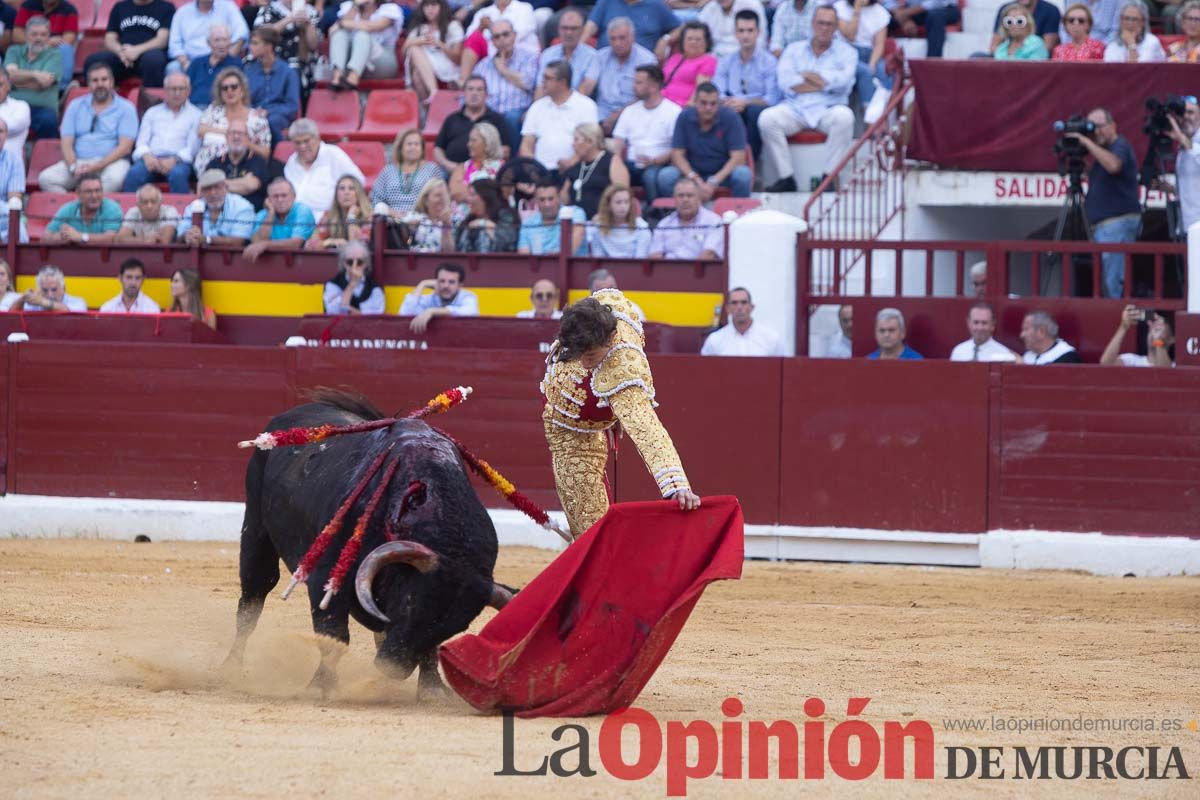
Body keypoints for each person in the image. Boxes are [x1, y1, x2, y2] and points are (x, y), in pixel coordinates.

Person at [540, 288, 700, 537]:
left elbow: (647, 429)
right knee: (588, 526)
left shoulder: (622, 370)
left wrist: (675, 485)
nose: (583, 362)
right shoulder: (608, 304)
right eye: (579, 354)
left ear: (610, 337)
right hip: (568, 425)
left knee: (591, 534)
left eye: (590, 355)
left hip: (576, 432)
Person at [759, 6, 855, 193]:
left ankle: (828, 178)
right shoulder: (793, 49)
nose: (824, 28)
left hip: (828, 109)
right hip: (796, 108)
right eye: (821, 23)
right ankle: (786, 178)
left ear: (836, 27)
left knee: (845, 117)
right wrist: (824, 81)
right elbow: (786, 82)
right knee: (767, 119)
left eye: (829, 24)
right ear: (812, 24)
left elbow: (843, 84)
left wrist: (806, 76)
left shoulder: (848, 52)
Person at [1064, 107, 1140, 299]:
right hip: (1104, 227)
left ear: (1113, 125)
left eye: (1099, 127)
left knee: (1113, 283)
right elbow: (1101, 178)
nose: (1096, 132)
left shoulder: (1119, 145)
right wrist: (1080, 162)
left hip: (1116, 225)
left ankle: (1119, 322)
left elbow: (1114, 166)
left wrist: (1086, 142)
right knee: (1105, 281)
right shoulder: (1104, 151)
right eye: (1092, 128)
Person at [39, 62, 137, 193]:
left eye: (104, 79)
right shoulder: (75, 105)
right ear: (88, 84)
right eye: (95, 81)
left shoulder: (126, 108)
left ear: (112, 82)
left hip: (111, 163)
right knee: (46, 179)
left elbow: (125, 148)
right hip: (79, 162)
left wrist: (95, 166)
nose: (100, 84)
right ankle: (74, 209)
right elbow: (66, 142)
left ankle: (89, 207)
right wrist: (73, 166)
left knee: (114, 180)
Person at [660, 82, 751, 199]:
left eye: (713, 104)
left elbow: (738, 158)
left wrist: (713, 181)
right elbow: (677, 155)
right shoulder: (684, 117)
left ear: (719, 104)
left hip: (723, 175)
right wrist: (695, 179)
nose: (708, 108)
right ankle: (674, 214)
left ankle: (739, 214)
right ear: (695, 103)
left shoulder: (731, 118)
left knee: (743, 174)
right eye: (703, 103)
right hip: (691, 175)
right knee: (666, 176)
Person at [714, 10, 778, 161]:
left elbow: (772, 98)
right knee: (721, 110)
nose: (745, 35)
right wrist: (729, 102)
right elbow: (717, 91)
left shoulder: (769, 62)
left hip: (756, 110)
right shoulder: (726, 61)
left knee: (753, 112)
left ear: (758, 32)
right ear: (735, 33)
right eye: (741, 31)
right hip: (733, 107)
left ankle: (749, 162)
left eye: (750, 30)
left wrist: (745, 102)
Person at [123, 72, 201, 194]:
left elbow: (192, 148)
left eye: (181, 89)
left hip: (179, 161)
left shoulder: (196, 115)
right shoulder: (152, 112)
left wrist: (174, 160)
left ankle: (181, 213)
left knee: (178, 175)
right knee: (134, 174)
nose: (177, 93)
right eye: (173, 89)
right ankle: (130, 212)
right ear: (165, 90)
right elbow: (141, 142)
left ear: (188, 90)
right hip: (151, 159)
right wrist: (148, 156)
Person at [613, 64, 681, 202]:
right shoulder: (629, 110)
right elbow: (618, 142)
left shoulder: (674, 111)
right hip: (631, 163)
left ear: (654, 86)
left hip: (660, 163)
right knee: (610, 172)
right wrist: (616, 162)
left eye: (639, 82)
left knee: (650, 176)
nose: (633, 86)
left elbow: (677, 148)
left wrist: (655, 161)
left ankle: (653, 215)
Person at [520, 59, 599, 176]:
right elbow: (526, 144)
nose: (543, 82)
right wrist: (534, 168)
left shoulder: (586, 106)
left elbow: (591, 142)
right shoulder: (537, 106)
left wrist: (571, 162)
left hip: (575, 170)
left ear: (562, 83)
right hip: (540, 172)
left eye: (548, 78)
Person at [584, 16, 657, 135]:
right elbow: (587, 85)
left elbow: (645, 95)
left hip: (634, 113)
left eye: (622, 38)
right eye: (613, 39)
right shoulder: (600, 56)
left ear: (632, 37)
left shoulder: (647, 59)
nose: (617, 43)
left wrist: (618, 115)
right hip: (601, 115)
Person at [193, 66, 272, 175]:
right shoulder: (213, 111)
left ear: (242, 90)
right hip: (208, 167)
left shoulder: (257, 119)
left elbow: (265, 153)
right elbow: (201, 130)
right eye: (224, 88)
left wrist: (246, 143)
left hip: (242, 169)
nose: (229, 91)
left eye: (234, 87)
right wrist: (229, 133)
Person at [473, 19, 538, 147]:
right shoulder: (483, 65)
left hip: (518, 112)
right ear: (492, 41)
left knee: (510, 118)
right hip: (490, 113)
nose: (502, 39)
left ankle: (514, 162)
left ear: (514, 35)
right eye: (497, 37)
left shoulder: (529, 58)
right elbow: (472, 89)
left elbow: (529, 83)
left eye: (505, 34)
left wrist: (503, 70)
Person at [283, 118, 366, 217]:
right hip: (294, 218)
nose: (302, 146)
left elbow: (358, 181)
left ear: (317, 139)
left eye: (306, 141)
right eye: (298, 142)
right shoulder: (292, 160)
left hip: (328, 219)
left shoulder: (333, 154)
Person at [433, 75, 514, 174]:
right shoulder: (452, 119)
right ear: (464, 93)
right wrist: (447, 164)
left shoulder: (497, 119)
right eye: (470, 89)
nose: (474, 93)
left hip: (485, 171)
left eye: (479, 90)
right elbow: (438, 148)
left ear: (486, 95)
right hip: (451, 170)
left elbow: (505, 150)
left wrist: (482, 165)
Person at [86, 0, 174, 88]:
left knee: (154, 61)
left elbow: (162, 40)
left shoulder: (166, 7)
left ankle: (153, 99)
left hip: (148, 54)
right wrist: (121, 51)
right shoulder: (120, 7)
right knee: (94, 60)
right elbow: (110, 38)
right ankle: (101, 99)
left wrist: (136, 51)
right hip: (123, 57)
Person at [247, 0, 321, 100]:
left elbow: (313, 45)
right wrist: (290, 19)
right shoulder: (269, 9)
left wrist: (308, 25)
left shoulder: (311, 12)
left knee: (299, 73)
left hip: (301, 63)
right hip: (272, 59)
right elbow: (261, 35)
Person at [4, 15, 59, 140]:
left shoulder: (55, 56)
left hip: (41, 110)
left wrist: (17, 81)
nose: (38, 38)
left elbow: (45, 82)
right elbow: (9, 75)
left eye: (43, 34)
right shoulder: (14, 51)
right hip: (13, 106)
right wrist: (36, 75)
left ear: (48, 36)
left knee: (48, 120)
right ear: (26, 35)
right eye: (34, 34)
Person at [328, 0, 405, 89]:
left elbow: (372, 27)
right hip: (351, 61)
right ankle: (337, 77)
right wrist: (355, 5)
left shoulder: (390, 9)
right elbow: (333, 30)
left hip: (381, 61)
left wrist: (342, 23)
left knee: (362, 34)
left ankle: (353, 78)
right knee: (340, 33)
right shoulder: (349, 7)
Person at [244, 27, 301, 146]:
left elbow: (292, 105)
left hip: (278, 116)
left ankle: (279, 156)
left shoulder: (288, 72)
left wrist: (268, 111)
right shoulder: (249, 71)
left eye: (255, 43)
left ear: (268, 46)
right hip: (253, 114)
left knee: (271, 122)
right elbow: (244, 99)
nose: (251, 47)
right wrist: (253, 111)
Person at [460, 0, 540, 84]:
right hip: (491, 55)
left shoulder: (524, 8)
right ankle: (464, 81)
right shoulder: (484, 12)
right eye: (497, 36)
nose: (501, 38)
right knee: (474, 38)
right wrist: (480, 27)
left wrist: (491, 26)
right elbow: (468, 38)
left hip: (521, 55)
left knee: (505, 38)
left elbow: (517, 34)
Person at [560, 123, 630, 218]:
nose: (573, 144)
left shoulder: (612, 162)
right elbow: (563, 198)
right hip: (576, 223)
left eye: (576, 139)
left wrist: (604, 217)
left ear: (590, 142)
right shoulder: (576, 166)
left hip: (603, 223)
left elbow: (623, 195)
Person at [834, 0, 892, 113]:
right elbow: (850, 35)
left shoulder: (880, 12)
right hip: (846, 53)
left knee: (884, 73)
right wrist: (857, 8)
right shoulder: (839, 8)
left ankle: (885, 115)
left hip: (870, 53)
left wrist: (873, 63)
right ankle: (869, 116)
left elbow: (879, 44)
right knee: (866, 72)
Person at [648, 176, 724, 259]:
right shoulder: (664, 224)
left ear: (699, 198)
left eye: (690, 195)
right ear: (674, 198)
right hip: (667, 270)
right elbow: (655, 257)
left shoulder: (714, 222)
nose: (685, 199)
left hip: (699, 270)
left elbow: (708, 255)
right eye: (680, 196)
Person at [371, 128, 443, 215]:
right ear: (401, 148)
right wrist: (391, 213)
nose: (413, 147)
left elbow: (440, 198)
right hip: (392, 220)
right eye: (409, 144)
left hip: (422, 219)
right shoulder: (388, 171)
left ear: (422, 148)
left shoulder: (432, 169)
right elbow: (376, 199)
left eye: (416, 144)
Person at [176, 168, 257, 245]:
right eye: (207, 188)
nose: (213, 193)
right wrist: (186, 237)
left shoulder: (242, 206)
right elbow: (179, 237)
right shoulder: (193, 207)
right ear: (202, 191)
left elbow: (239, 241)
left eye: (217, 187)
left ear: (226, 187)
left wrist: (207, 239)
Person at [404, 0, 464, 104]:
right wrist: (417, 41)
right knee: (416, 74)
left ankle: (433, 92)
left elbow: (457, 58)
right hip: (426, 65)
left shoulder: (452, 25)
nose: (430, 9)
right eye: (426, 6)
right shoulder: (420, 27)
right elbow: (403, 51)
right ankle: (429, 111)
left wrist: (440, 44)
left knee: (414, 49)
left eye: (433, 5)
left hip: (447, 65)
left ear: (442, 7)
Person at [243, 177, 316, 261]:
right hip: (269, 264)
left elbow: (296, 244)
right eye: (275, 196)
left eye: (284, 195)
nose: (280, 200)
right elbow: (256, 242)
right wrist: (270, 213)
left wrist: (266, 245)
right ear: (269, 199)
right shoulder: (263, 214)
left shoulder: (302, 210)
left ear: (294, 197)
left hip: (300, 264)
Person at [12, 0, 78, 91]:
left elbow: (69, 39)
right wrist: (43, 42)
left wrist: (45, 45)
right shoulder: (28, 6)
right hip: (31, 47)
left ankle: (62, 89)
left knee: (66, 49)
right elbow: (16, 35)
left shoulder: (69, 9)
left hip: (54, 50)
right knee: (15, 49)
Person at [168, 0, 249, 73]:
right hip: (190, 61)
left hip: (221, 60)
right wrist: (185, 63)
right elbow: (174, 45)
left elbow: (242, 33)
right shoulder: (182, 12)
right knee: (173, 68)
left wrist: (228, 57)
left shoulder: (228, 7)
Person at [701, 286, 784, 356]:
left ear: (751, 307)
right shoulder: (715, 340)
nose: (739, 307)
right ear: (727, 309)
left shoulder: (772, 339)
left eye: (744, 302)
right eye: (734, 303)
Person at [42, 173, 124, 244]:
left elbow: (110, 239)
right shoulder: (68, 209)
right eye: (89, 192)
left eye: (98, 191)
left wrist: (81, 237)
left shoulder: (113, 209)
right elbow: (45, 238)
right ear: (78, 193)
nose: (94, 196)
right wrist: (62, 236)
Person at [399, 262, 480, 333]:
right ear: (436, 282)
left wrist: (432, 311)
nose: (445, 286)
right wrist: (423, 284)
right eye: (442, 281)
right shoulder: (431, 298)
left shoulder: (467, 297)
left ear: (460, 286)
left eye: (451, 282)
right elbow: (405, 312)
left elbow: (469, 312)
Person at [534, 8, 594, 98]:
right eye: (564, 28)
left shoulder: (592, 56)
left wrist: (562, 106)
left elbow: (584, 91)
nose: (569, 32)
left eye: (574, 28)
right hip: (548, 105)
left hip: (577, 106)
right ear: (558, 30)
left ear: (582, 30)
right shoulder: (548, 54)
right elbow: (540, 88)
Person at [209, 119, 269, 209]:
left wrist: (218, 184)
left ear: (247, 138)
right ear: (226, 136)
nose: (236, 136)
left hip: (251, 213)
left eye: (240, 133)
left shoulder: (257, 160)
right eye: (232, 133)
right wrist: (242, 183)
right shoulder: (215, 162)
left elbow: (251, 185)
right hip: (221, 213)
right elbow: (205, 187)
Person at [519, 177, 587, 254]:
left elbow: (570, 251)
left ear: (558, 198)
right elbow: (524, 256)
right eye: (542, 199)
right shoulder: (528, 223)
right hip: (539, 265)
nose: (547, 204)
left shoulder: (575, 213)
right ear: (535, 200)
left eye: (551, 199)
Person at [657, 20, 716, 106]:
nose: (693, 42)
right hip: (661, 103)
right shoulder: (675, 57)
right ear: (683, 41)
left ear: (706, 42)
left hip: (682, 107)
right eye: (689, 38)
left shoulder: (708, 60)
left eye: (698, 39)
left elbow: (700, 90)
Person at [584, 0, 680, 53]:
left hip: (642, 67)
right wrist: (577, 49)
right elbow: (591, 26)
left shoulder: (656, 5)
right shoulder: (606, 2)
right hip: (606, 62)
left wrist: (665, 40)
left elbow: (680, 28)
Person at [307, 174, 372, 249]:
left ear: (358, 194)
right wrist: (329, 241)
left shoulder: (369, 217)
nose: (346, 192)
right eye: (342, 188)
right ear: (336, 194)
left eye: (351, 188)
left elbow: (357, 247)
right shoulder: (328, 216)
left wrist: (351, 217)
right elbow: (310, 245)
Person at [1164, 97, 1200, 233]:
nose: (1185, 117)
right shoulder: (1182, 148)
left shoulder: (1189, 143)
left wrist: (1181, 138)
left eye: (1190, 112)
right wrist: (1172, 189)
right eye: (1181, 114)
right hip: (1186, 226)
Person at [454, 177, 519, 251]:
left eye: (472, 195)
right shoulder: (468, 221)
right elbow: (455, 245)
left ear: (486, 197)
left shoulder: (506, 215)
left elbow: (507, 241)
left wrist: (483, 223)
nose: (468, 199)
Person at [447, 121, 504, 203]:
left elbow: (503, 193)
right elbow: (455, 192)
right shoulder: (463, 167)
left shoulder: (502, 168)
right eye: (469, 140)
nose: (468, 144)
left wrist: (470, 193)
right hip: (464, 213)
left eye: (473, 140)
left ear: (487, 143)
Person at [588, 183, 651, 257]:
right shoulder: (598, 227)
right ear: (608, 205)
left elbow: (641, 258)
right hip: (605, 268)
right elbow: (597, 258)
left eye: (626, 202)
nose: (623, 206)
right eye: (618, 202)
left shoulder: (642, 227)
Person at [1099, 305, 1174, 366]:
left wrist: (1158, 341)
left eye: (1160, 330)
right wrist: (1123, 327)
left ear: (1172, 339)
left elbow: (1164, 373)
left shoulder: (1176, 366)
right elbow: (1106, 364)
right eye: (1152, 329)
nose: (1154, 333)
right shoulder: (1132, 360)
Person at [882, 0, 960, 59]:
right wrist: (904, 20)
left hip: (944, 8)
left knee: (935, 17)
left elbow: (936, 2)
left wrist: (906, 13)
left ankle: (933, 63)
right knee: (883, 17)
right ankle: (883, 62)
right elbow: (886, 2)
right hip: (912, 11)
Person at [324, 240, 384, 314]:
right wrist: (352, 285)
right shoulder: (333, 284)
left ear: (366, 264)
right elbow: (332, 312)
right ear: (344, 264)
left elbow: (374, 318)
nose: (354, 267)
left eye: (359, 262)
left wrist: (349, 310)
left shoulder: (374, 288)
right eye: (350, 262)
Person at [185, 24, 240, 107]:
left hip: (222, 109)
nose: (221, 44)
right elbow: (185, 87)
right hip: (194, 108)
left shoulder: (236, 65)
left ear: (230, 42)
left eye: (224, 40)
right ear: (208, 43)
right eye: (217, 40)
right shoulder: (197, 63)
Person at [949, 302, 1018, 362]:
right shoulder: (958, 352)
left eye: (984, 323)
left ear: (993, 325)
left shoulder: (1004, 355)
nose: (980, 328)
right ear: (968, 323)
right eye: (976, 322)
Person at [404, 178, 459, 252]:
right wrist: (408, 229)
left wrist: (446, 225)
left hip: (442, 262)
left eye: (446, 195)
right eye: (438, 195)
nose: (443, 199)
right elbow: (402, 243)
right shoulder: (414, 217)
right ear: (426, 200)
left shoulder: (456, 220)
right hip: (415, 261)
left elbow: (449, 252)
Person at [1, 265, 87, 311]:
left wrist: (43, 302)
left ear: (63, 288)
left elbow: (69, 312)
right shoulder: (34, 304)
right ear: (39, 289)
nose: (50, 294)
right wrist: (23, 299)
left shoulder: (78, 302)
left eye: (54, 289)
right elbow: (12, 315)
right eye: (45, 290)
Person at [115, 183, 181, 243]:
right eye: (145, 202)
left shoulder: (169, 211)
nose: (149, 206)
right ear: (138, 205)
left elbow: (164, 241)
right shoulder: (133, 211)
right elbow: (120, 239)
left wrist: (135, 240)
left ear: (160, 203)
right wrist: (144, 240)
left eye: (153, 201)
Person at [699, 0, 767, 58]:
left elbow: (761, 38)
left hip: (747, 56)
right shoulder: (708, 9)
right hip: (716, 57)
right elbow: (701, 38)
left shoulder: (752, 4)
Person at [988, 0, 1060, 54]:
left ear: (1029, 23)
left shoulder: (1050, 10)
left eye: (1019, 21)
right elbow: (994, 46)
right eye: (1009, 22)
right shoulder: (1005, 9)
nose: (1014, 25)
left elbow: (1047, 48)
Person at [0, 120, 25, 246]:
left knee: (19, 229)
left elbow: (14, 200)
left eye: (1, 131)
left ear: (6, 135)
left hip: (3, 216)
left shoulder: (14, 160)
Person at [0, 71, 29, 164]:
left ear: (8, 86)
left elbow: (8, 127)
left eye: (0, 85)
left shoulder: (21, 107)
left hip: (9, 167)